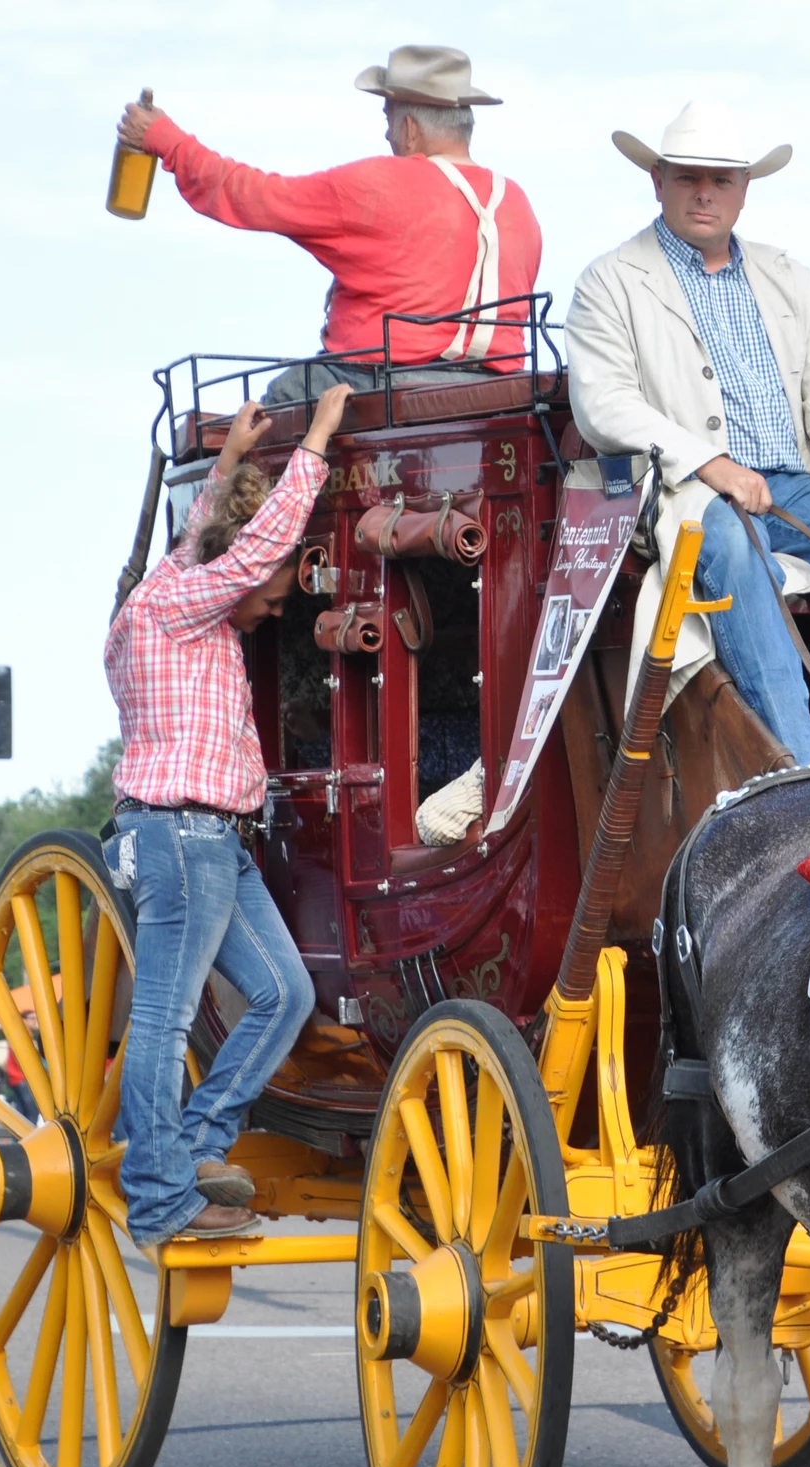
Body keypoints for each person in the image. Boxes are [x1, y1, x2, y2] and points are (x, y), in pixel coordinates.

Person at [565, 102, 810, 769]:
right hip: (683, 492)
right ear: (657, 180)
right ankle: (803, 773)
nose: (705, 192)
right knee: (736, 550)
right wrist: (711, 463)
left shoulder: (787, 275)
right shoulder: (610, 281)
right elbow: (604, 404)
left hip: (794, 487)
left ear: (744, 189)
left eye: (721, 179)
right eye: (687, 177)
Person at [101, 388, 347, 1244]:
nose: (271, 610)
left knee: (286, 994)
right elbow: (257, 547)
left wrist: (234, 462)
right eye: (273, 599)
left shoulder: (167, 589)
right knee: (165, 1020)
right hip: (183, 834)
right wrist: (314, 438)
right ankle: (162, 1199)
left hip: (215, 840)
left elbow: (203, 537)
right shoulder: (183, 606)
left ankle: (202, 1144)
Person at [115, 47, 542, 405]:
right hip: (500, 391)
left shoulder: (383, 185)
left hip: (383, 384)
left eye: (388, 121)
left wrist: (166, 140)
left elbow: (253, 196)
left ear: (410, 129)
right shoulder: (518, 201)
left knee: (270, 412)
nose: (388, 137)